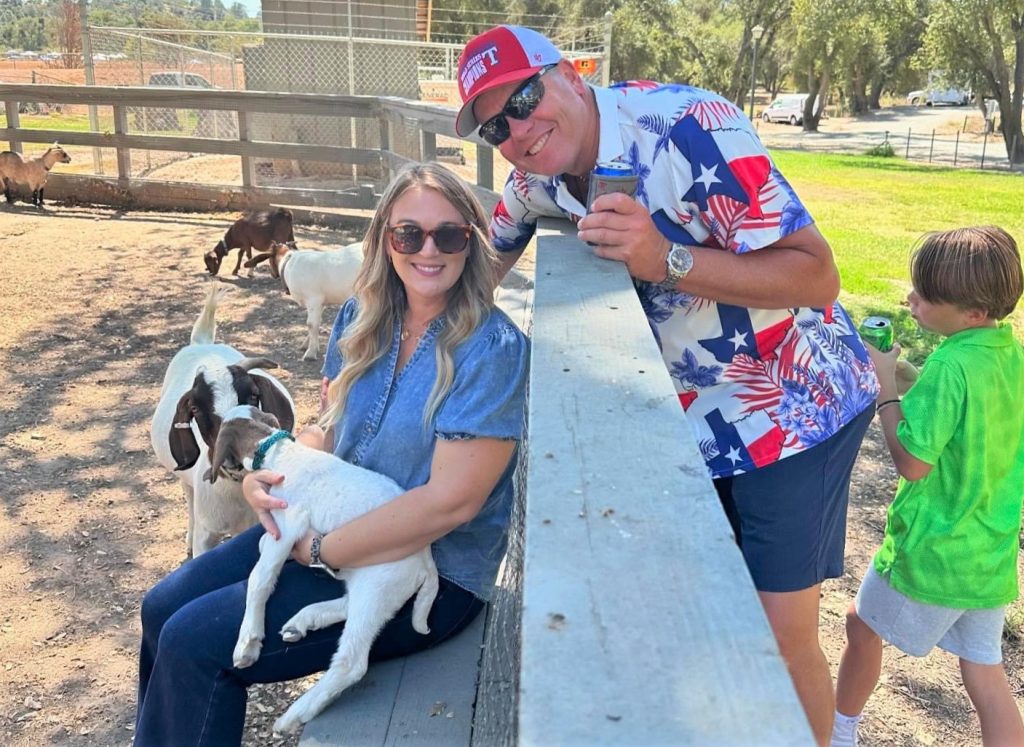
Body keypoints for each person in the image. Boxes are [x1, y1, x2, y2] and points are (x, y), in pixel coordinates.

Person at [455, 25, 879, 745]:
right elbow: (478, 271)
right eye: (496, 124)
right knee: (713, 620)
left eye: (525, 98)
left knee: (780, 636)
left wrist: (667, 259)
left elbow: (818, 273)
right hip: (699, 427)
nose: (518, 129)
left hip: (795, 409)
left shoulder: (691, 127)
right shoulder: (537, 176)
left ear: (569, 74)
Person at [134, 162, 530, 745]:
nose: (428, 250)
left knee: (193, 643)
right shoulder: (360, 317)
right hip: (324, 520)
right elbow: (326, 430)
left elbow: (450, 507)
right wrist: (263, 474)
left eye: (449, 234)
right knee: (161, 606)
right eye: (408, 234)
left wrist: (319, 550)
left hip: (421, 573)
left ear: (470, 242)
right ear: (383, 241)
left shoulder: (492, 349)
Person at [831, 226, 1024, 747]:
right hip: (989, 553)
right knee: (985, 674)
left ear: (973, 314)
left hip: (935, 550)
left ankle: (837, 729)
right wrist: (907, 375)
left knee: (860, 624)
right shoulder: (1008, 352)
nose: (911, 300)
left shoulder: (950, 365)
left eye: (926, 297)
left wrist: (884, 389)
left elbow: (913, 463)